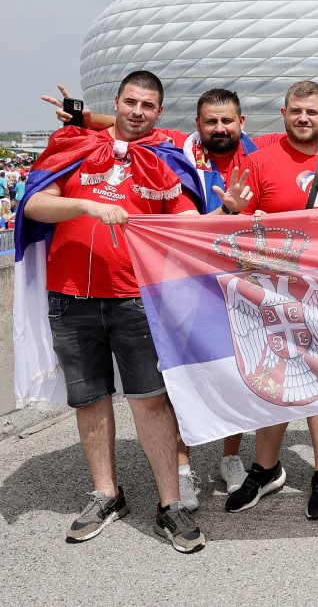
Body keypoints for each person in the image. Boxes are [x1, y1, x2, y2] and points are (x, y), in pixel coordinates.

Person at [42, 85, 318, 505]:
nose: (220, 128)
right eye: (211, 121)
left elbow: (312, 140)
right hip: (197, 279)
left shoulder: (265, 149)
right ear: (197, 125)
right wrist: (85, 117)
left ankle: (255, 461)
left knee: (278, 371)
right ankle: (186, 465)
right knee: (193, 372)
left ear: (243, 123)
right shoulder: (182, 147)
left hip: (274, 281)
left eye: (227, 120)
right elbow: (133, 123)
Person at [21, 70, 253, 553]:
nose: (137, 112)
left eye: (148, 106)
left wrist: (226, 212)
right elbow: (36, 205)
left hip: (135, 300)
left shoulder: (162, 162)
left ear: (159, 114)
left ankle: (170, 503)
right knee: (89, 400)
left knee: (150, 400)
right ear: (118, 102)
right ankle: (106, 494)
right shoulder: (73, 145)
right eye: (130, 102)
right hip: (70, 296)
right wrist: (85, 206)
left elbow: (190, 227)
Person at [224, 80, 318, 520]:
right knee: (273, 375)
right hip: (272, 293)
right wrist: (237, 213)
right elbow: (234, 228)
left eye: (312, 112)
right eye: (296, 110)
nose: (304, 118)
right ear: (283, 114)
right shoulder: (258, 161)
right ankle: (266, 469)